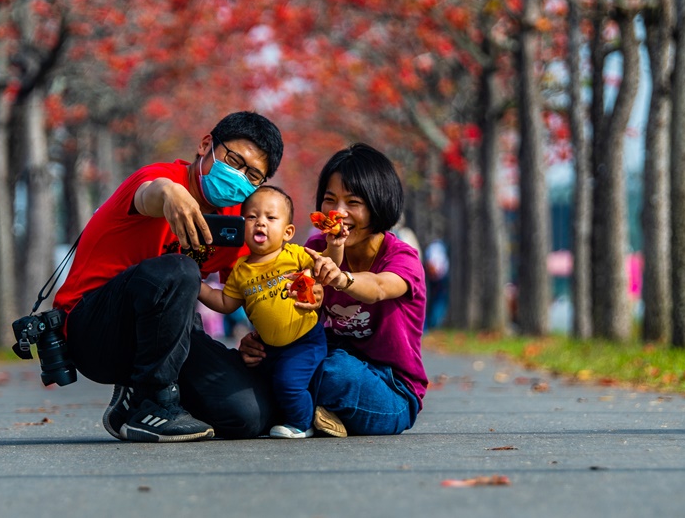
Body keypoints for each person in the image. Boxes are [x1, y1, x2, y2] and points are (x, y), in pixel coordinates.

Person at [53, 111, 294, 443]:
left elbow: (250, 287)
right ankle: (150, 404)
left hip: (169, 335)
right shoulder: (159, 178)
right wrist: (169, 193)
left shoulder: (235, 222)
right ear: (206, 145)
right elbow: (149, 193)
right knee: (180, 267)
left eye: (253, 175)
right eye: (234, 161)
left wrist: (262, 337)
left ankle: (146, 403)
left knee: (247, 415)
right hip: (95, 328)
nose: (238, 176)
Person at [240, 143, 428, 437]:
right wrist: (262, 341)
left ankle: (304, 408)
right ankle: (317, 414)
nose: (338, 214)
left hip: (391, 390)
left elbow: (378, 287)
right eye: (330, 200)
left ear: (378, 203)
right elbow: (284, 303)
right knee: (268, 365)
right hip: (325, 358)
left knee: (335, 371)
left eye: (353, 203)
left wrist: (342, 279)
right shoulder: (314, 250)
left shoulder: (401, 257)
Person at [198, 185, 344, 439]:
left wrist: (334, 245)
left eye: (270, 218)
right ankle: (283, 415)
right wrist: (195, 284)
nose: (260, 224)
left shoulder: (294, 255)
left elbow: (327, 266)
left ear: (288, 231)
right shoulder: (241, 269)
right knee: (264, 384)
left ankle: (301, 424)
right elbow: (224, 302)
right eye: (252, 217)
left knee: (289, 383)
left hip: (304, 341)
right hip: (268, 347)